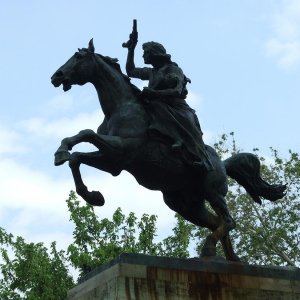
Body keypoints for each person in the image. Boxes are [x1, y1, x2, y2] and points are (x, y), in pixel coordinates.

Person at [124, 38, 212, 173]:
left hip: (175, 107)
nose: (143, 56)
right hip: (155, 104)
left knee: (179, 120)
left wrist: (153, 93)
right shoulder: (151, 72)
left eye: (146, 53)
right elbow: (131, 71)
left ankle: (200, 158)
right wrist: (131, 49)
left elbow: (176, 91)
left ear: (154, 54)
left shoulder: (173, 69)